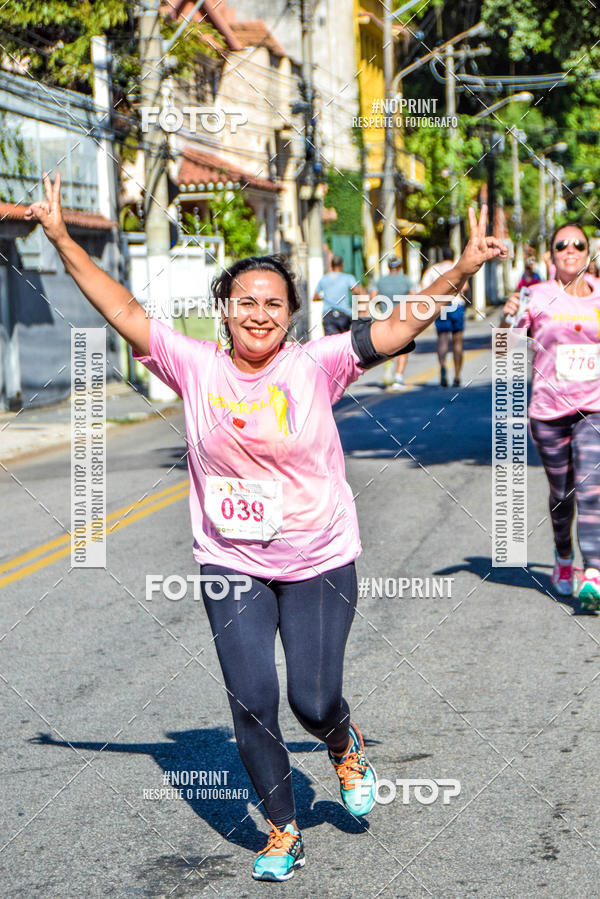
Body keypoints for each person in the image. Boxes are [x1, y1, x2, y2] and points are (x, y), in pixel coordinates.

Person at [26, 175, 506, 882]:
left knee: (310, 700)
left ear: (292, 314)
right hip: (230, 559)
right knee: (250, 699)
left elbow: (400, 324)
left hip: (318, 555)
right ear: (223, 310)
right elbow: (119, 305)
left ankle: (343, 740)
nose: (258, 314)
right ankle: (282, 828)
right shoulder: (192, 365)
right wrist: (63, 237)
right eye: (245, 302)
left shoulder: (318, 364)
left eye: (272, 304)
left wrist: (460, 270)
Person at [501, 223, 600, 611]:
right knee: (563, 494)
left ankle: (593, 573)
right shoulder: (535, 295)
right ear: (551, 255)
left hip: (593, 407)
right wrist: (508, 317)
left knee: (592, 487)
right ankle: (563, 558)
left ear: (587, 253)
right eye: (562, 245)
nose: (570, 250)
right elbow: (503, 348)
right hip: (548, 412)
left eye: (578, 244)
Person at [420, 246, 465, 387]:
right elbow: (465, 289)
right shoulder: (458, 269)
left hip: (441, 307)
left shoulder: (433, 270)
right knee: (457, 342)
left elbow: (423, 288)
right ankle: (457, 376)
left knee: (442, 339)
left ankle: (443, 367)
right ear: (453, 256)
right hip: (456, 305)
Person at [371, 254, 415, 390]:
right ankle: (398, 377)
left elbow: (373, 297)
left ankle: (388, 365)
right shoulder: (406, 280)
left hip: (385, 318)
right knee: (404, 346)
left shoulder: (380, 281)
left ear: (389, 267)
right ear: (400, 266)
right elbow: (414, 297)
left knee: (390, 345)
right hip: (402, 318)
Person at [312, 255, 358, 335]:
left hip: (328, 315)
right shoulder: (348, 278)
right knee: (343, 342)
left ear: (331, 265)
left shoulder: (324, 278)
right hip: (344, 314)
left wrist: (325, 297)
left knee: (331, 343)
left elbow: (315, 297)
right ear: (342, 265)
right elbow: (357, 291)